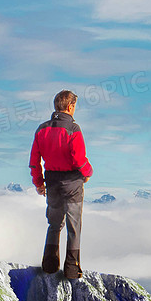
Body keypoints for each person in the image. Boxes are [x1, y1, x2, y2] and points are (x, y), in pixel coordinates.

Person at [29, 90, 93, 279]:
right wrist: (88, 172)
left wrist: (39, 183)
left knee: (54, 224)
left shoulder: (42, 129)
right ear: (70, 107)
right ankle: (72, 269)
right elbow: (78, 158)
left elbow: (34, 161)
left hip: (52, 182)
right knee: (74, 226)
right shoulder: (74, 129)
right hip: (73, 184)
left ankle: (49, 265)